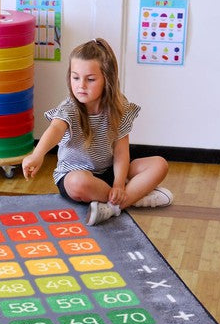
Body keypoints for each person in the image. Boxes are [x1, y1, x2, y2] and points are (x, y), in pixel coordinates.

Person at [22, 38, 172, 225]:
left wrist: (118, 184)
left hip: (110, 172)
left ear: (107, 80)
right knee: (78, 182)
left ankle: (114, 205)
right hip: (76, 176)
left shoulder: (119, 108)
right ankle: (133, 198)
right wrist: (37, 155)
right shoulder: (69, 108)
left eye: (90, 79)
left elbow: (121, 152)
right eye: (75, 78)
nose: (81, 85)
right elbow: (55, 129)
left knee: (159, 164)